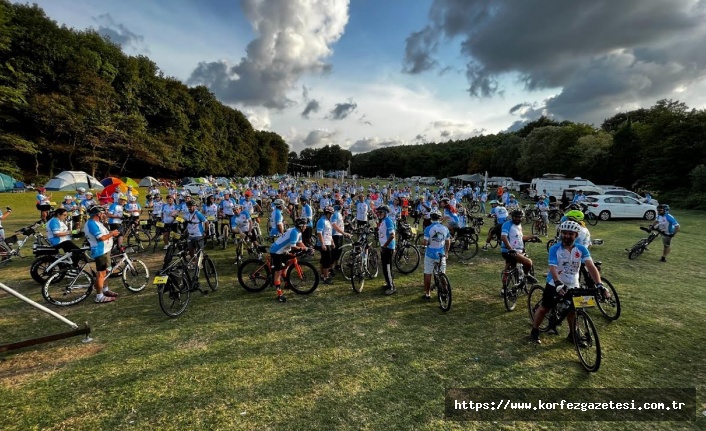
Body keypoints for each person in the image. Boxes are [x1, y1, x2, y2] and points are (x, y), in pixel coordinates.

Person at [530, 220, 604, 344]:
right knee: (544, 309)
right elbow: (552, 267)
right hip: (555, 283)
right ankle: (535, 330)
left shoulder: (581, 249)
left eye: (570, 234)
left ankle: (572, 334)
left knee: (573, 311)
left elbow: (591, 267)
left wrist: (599, 284)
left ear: (576, 235)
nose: (567, 236)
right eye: (564, 233)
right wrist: (558, 283)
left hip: (573, 284)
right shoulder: (555, 248)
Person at [84, 206, 120, 303]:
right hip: (100, 251)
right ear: (98, 214)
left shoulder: (97, 222)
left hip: (105, 249)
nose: (104, 214)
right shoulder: (91, 224)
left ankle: (105, 290)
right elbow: (101, 238)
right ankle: (99, 296)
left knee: (106, 272)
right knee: (101, 274)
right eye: (103, 213)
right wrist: (112, 233)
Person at [270, 218, 309, 302]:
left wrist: (306, 248)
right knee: (278, 272)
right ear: (301, 226)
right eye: (305, 225)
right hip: (277, 251)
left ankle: (287, 283)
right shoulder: (295, 232)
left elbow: (300, 243)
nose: (306, 227)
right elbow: (294, 247)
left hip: (283, 250)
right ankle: (279, 294)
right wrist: (303, 249)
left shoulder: (298, 231)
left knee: (287, 265)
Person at [500, 210, 538, 283]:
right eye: (515, 217)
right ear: (512, 217)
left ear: (522, 218)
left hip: (516, 251)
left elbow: (520, 238)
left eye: (519, 217)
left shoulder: (519, 226)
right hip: (510, 251)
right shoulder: (507, 224)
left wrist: (532, 237)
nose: (517, 219)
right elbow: (503, 237)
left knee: (509, 270)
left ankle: (506, 289)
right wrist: (510, 249)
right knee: (529, 262)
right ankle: (526, 275)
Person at [421, 210, 450, 301]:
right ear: (439, 218)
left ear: (431, 218)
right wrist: (446, 253)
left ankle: (427, 294)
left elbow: (425, 242)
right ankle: (445, 292)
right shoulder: (445, 228)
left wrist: (425, 245)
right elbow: (448, 242)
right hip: (441, 254)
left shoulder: (428, 228)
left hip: (430, 254)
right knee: (442, 273)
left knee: (427, 273)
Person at [376, 205, 397, 295]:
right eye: (378, 212)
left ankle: (392, 287)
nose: (379, 214)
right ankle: (389, 283)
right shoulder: (383, 221)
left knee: (387, 268)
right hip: (384, 246)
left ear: (385, 213)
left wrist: (384, 246)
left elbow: (392, 235)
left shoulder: (388, 221)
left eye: (381, 212)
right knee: (385, 267)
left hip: (388, 248)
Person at [316, 206, 335, 284]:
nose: (332, 215)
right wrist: (323, 244)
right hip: (324, 243)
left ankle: (322, 274)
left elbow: (329, 233)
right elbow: (319, 233)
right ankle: (325, 277)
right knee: (326, 261)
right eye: (331, 214)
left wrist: (332, 242)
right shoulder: (322, 221)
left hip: (328, 242)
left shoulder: (328, 221)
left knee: (324, 260)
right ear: (328, 213)